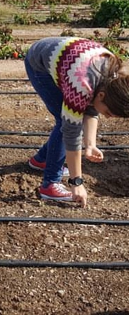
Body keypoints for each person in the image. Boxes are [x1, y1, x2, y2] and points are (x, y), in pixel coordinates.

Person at [25, 37, 129, 207]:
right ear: (101, 96)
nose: (108, 117)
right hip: (39, 62)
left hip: (70, 59)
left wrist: (90, 145)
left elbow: (92, 108)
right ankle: (50, 185)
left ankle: (41, 160)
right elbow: (71, 133)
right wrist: (77, 182)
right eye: (108, 113)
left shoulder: (113, 81)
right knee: (64, 121)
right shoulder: (81, 85)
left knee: (74, 116)